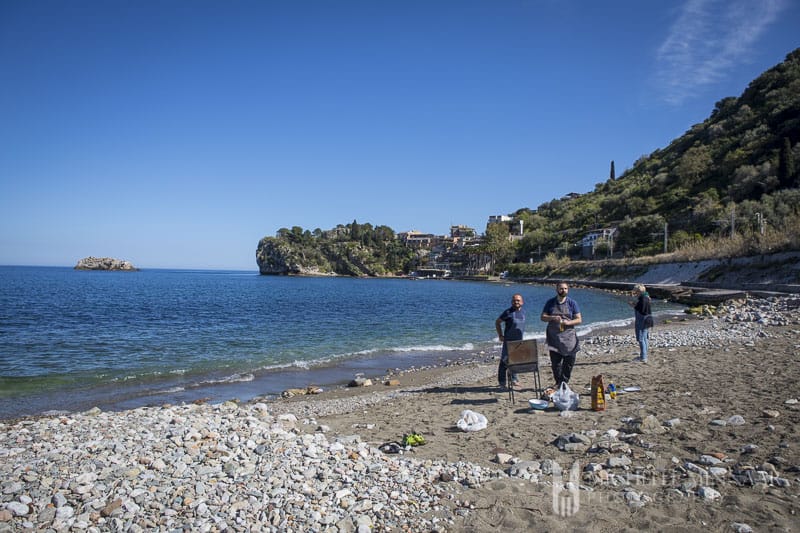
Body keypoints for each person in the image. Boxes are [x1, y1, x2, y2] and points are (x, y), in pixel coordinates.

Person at [541, 282, 582, 386]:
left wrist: (568, 322)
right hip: (553, 338)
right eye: (561, 288)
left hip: (569, 337)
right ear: (557, 289)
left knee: (569, 361)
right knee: (556, 364)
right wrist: (552, 318)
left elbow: (579, 319)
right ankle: (559, 383)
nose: (563, 290)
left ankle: (564, 382)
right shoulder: (550, 303)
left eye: (565, 289)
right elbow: (542, 317)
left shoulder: (572, 303)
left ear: (568, 290)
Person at [495, 293, 525, 389]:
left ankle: (514, 379)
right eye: (514, 300)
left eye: (518, 300)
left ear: (522, 302)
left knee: (515, 361)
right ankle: (502, 382)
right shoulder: (508, 312)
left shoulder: (523, 312)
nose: (516, 302)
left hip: (519, 341)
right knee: (504, 362)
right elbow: (497, 322)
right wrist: (500, 335)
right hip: (508, 341)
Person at [629, 283, 652, 363]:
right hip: (648, 319)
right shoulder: (647, 297)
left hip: (642, 320)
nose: (635, 293)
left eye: (636, 292)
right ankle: (644, 355)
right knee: (645, 337)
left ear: (639, 291)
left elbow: (639, 309)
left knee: (641, 338)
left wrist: (632, 305)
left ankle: (643, 357)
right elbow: (643, 308)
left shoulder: (642, 298)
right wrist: (635, 304)